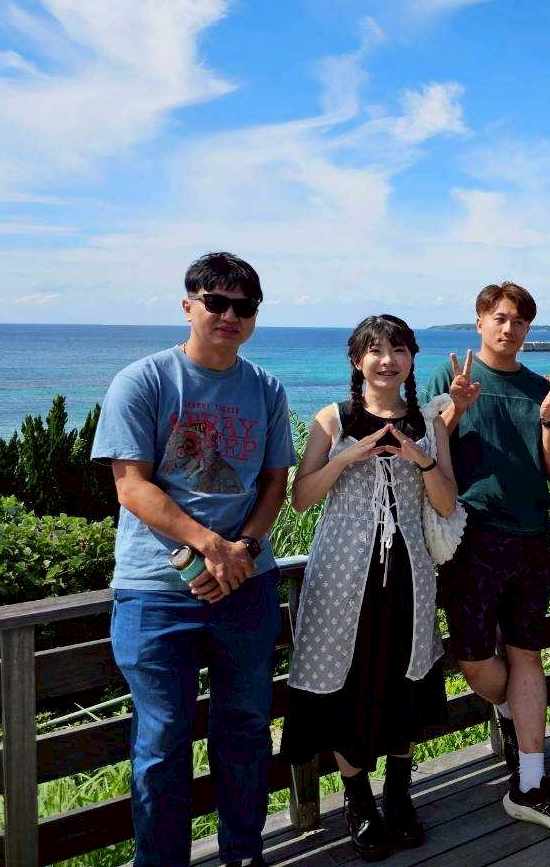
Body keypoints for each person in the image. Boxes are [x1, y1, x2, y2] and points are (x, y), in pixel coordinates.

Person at [92, 252, 295, 867]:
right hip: (156, 591)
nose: (230, 315)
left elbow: (274, 483)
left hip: (247, 585)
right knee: (161, 743)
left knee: (247, 729)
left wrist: (244, 550)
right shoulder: (143, 381)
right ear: (189, 306)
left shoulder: (266, 389)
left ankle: (243, 853)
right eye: (217, 302)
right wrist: (211, 547)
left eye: (244, 306)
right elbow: (131, 485)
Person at [423, 282, 550, 837]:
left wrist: (549, 422)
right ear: (480, 322)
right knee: (474, 659)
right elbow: (425, 453)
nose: (509, 329)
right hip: (472, 537)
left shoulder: (540, 388)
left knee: (527, 654)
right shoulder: (450, 378)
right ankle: (514, 714)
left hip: (531, 536)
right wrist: (455, 408)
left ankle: (531, 781)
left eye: (519, 321)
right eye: (499, 318)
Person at [282, 315, 457, 861]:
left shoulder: (429, 422)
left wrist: (419, 457)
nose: (388, 360)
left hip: (409, 575)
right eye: (375, 350)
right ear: (357, 360)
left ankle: (399, 794)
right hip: (342, 578)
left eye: (399, 349)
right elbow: (301, 498)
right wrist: (345, 458)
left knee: (405, 677)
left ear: (412, 359)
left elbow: (446, 502)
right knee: (347, 682)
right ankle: (358, 801)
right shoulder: (333, 418)